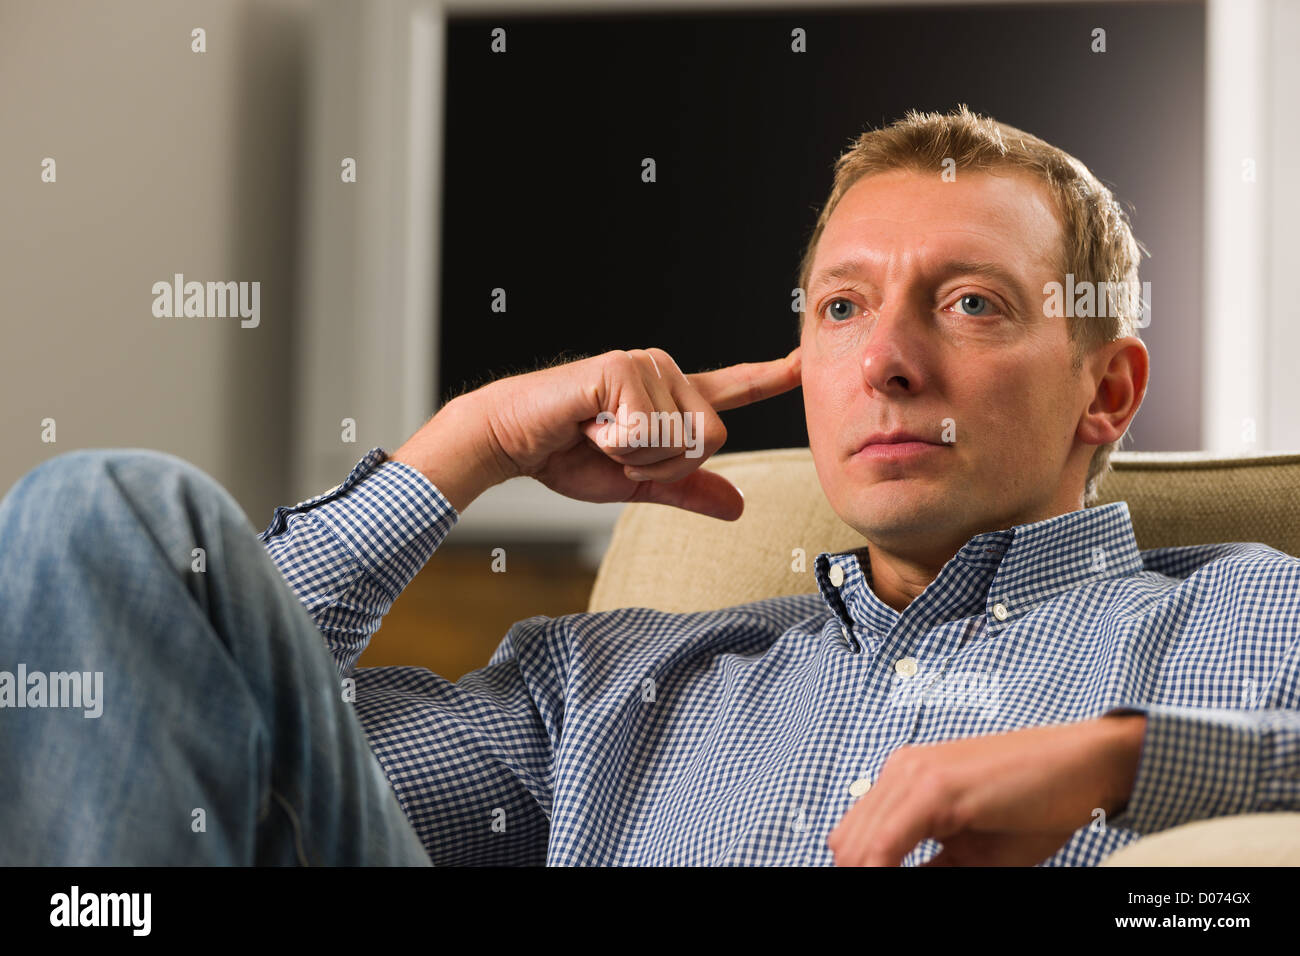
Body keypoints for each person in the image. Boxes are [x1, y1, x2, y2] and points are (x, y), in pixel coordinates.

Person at [2, 106, 1297, 866]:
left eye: (969, 303)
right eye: (843, 308)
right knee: (110, 514)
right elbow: (186, 741)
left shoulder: (1245, 620)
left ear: (1106, 390)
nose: (888, 360)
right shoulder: (601, 687)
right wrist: (468, 446)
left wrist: (1126, 763)